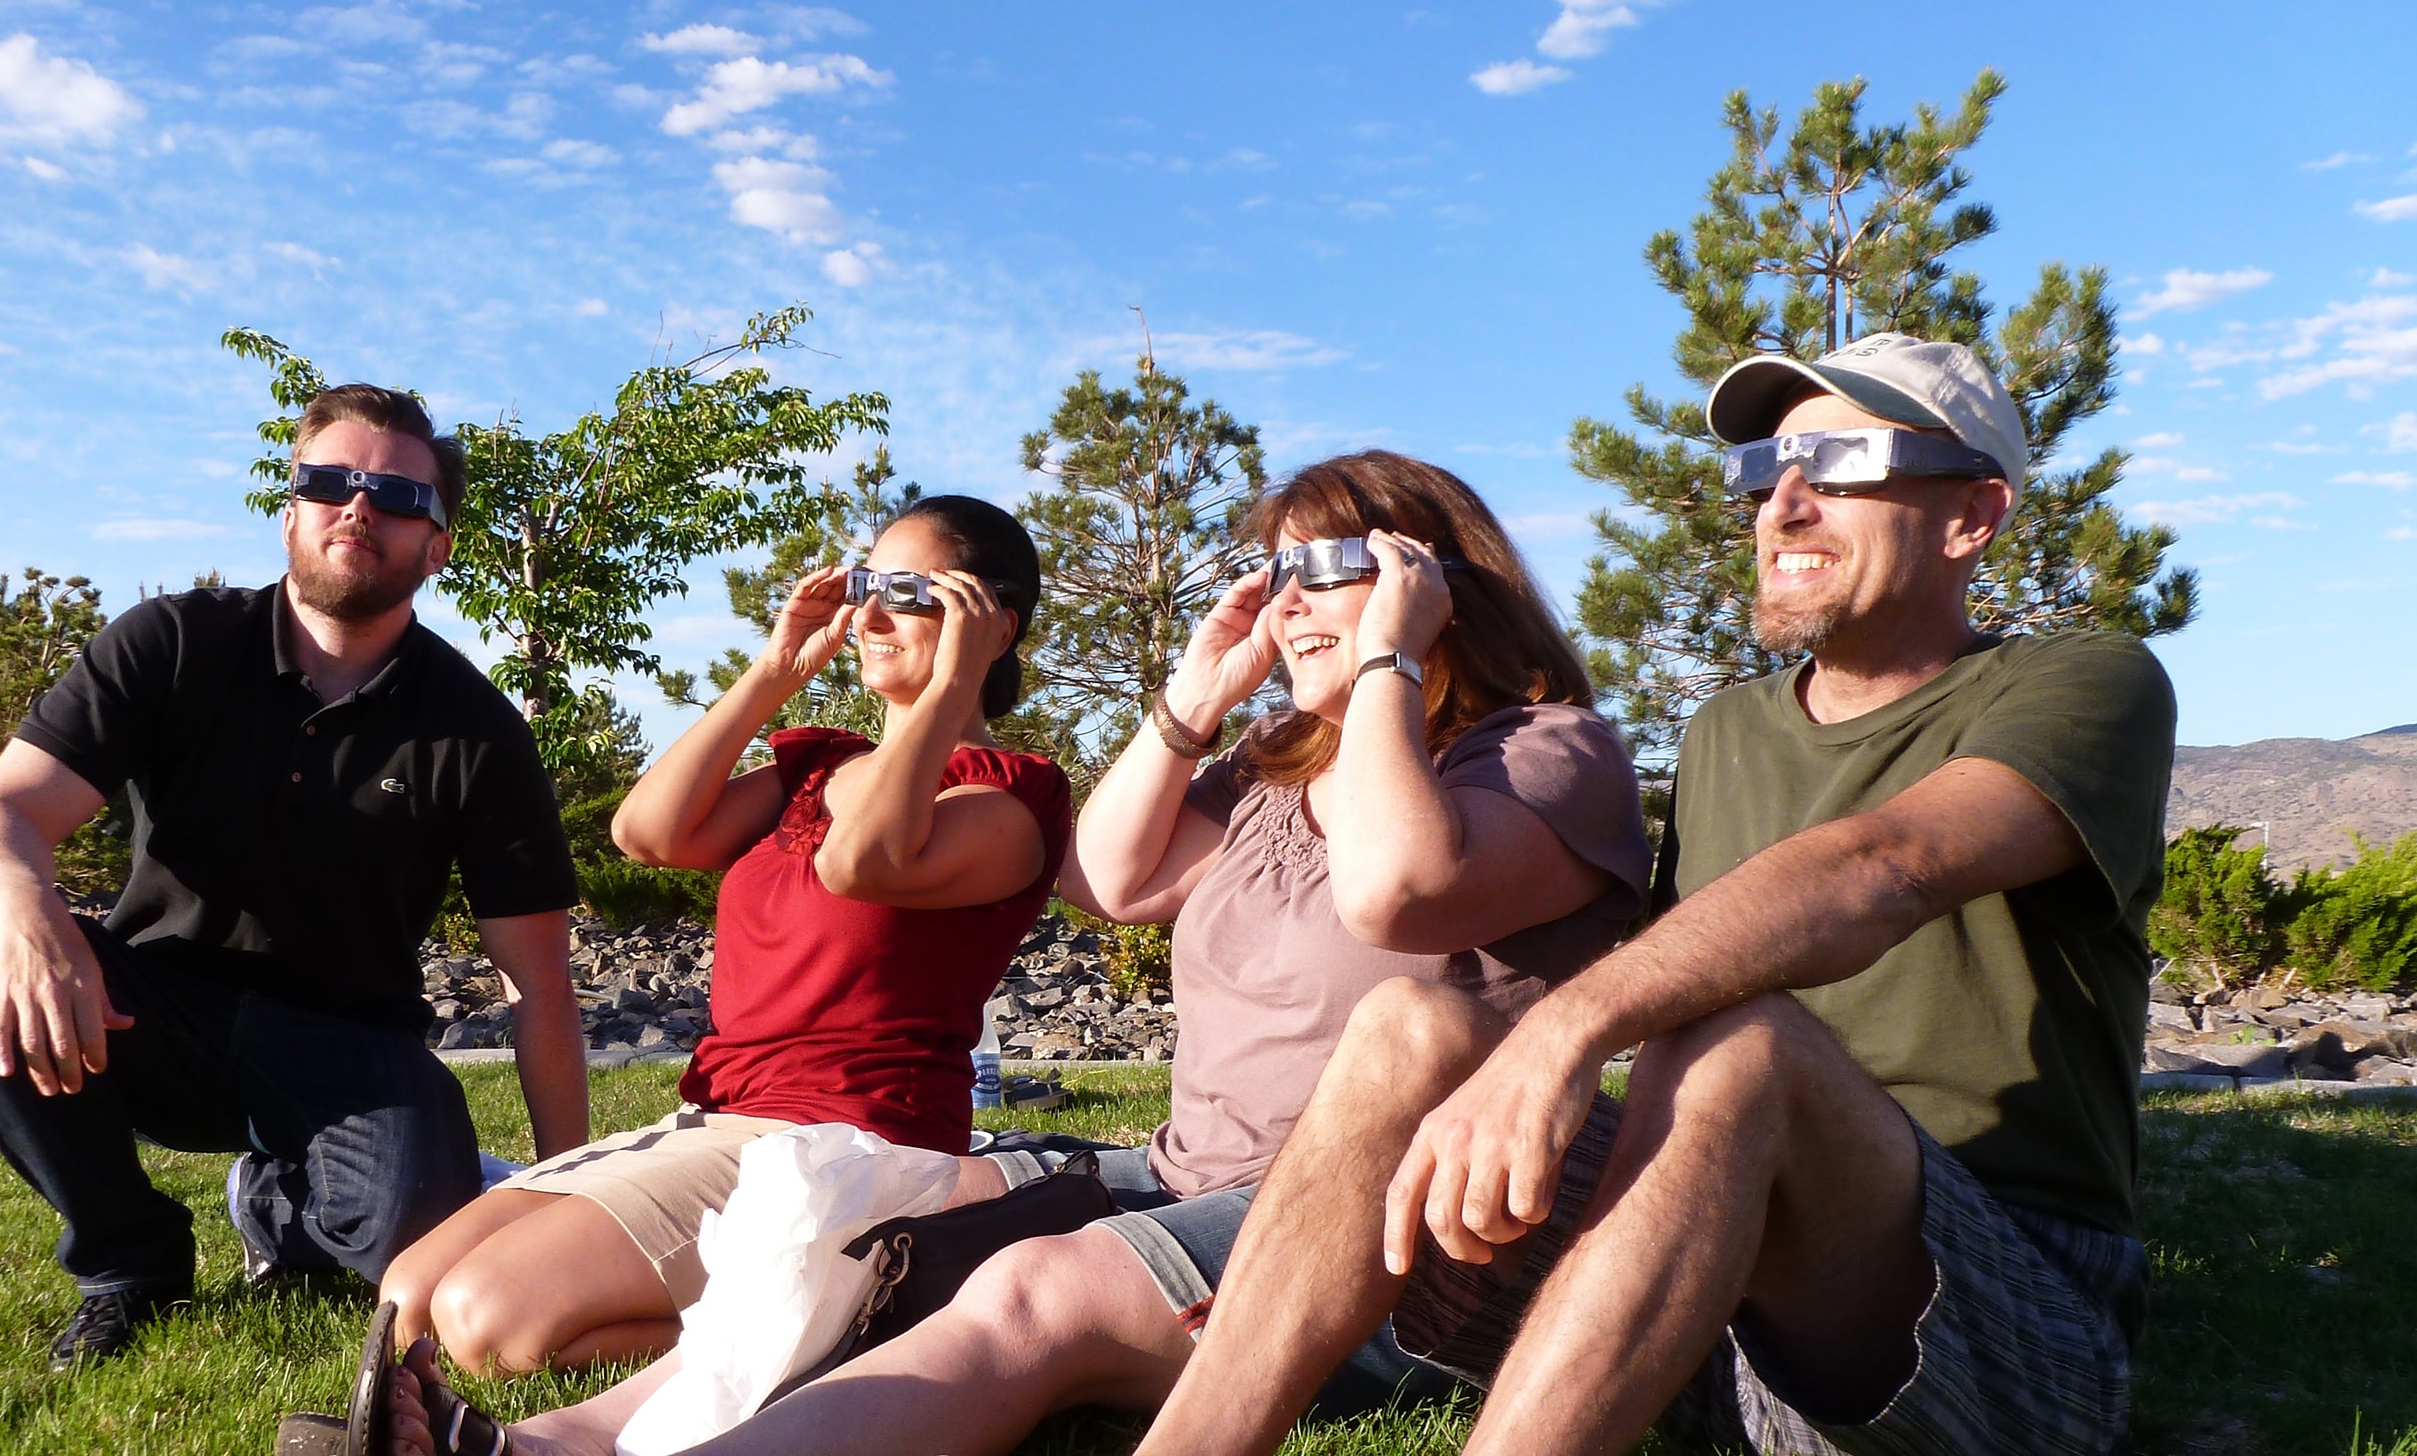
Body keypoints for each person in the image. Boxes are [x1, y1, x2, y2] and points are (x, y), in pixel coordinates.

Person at [367, 449, 1654, 1456]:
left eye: (1325, 564)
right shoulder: (1277, 774)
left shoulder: (1546, 755)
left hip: (1392, 1238)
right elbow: (1106, 876)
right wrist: (1195, 701)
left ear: (1436, 578)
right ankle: (549, 1441)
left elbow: (1394, 888)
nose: (1285, 599)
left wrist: (1384, 658)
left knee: (1029, 1292)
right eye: (1271, 571)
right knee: (865, 1228)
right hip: (1179, 1170)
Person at [1133, 333, 2176, 1456]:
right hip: (1708, 1280)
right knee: (1407, 1026)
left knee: (1743, 1047)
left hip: (1986, 1317)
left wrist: (1568, 1030)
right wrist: (1297, 1268)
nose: (1781, 503)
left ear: (1970, 514)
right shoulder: (1724, 728)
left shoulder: (2085, 682)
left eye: (1840, 463)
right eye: (1763, 470)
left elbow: (1883, 867)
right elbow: (1652, 978)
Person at [0, 385, 590, 1371]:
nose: (358, 507)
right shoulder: (174, 641)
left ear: (436, 547)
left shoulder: (475, 728)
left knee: (412, 1234)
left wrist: (573, 1188)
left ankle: (274, 1207)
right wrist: (31, 918)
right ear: (290, 512)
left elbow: (540, 984)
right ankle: (127, 1259)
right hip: (153, 1015)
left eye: (397, 497)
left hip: (350, 1044)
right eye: (328, 482)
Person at [369, 494, 1073, 1377]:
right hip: (720, 1116)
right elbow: (649, 832)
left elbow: (864, 864)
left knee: (487, 1323)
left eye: (907, 588)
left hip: (850, 1142)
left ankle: (878, 1293)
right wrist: (776, 668)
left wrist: (952, 689)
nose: (871, 611)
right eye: (866, 582)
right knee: (408, 1297)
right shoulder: (817, 767)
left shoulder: (1010, 796)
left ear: (991, 625)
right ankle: (810, 1289)